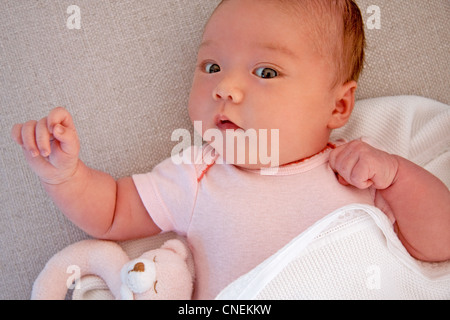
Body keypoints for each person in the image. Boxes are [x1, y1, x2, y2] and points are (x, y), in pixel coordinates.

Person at [11, 0, 450, 299]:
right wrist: (66, 176)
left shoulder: (358, 170)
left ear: (338, 105)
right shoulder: (199, 172)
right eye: (212, 66)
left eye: (265, 71)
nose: (225, 87)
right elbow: (111, 212)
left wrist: (396, 175)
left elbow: (439, 243)